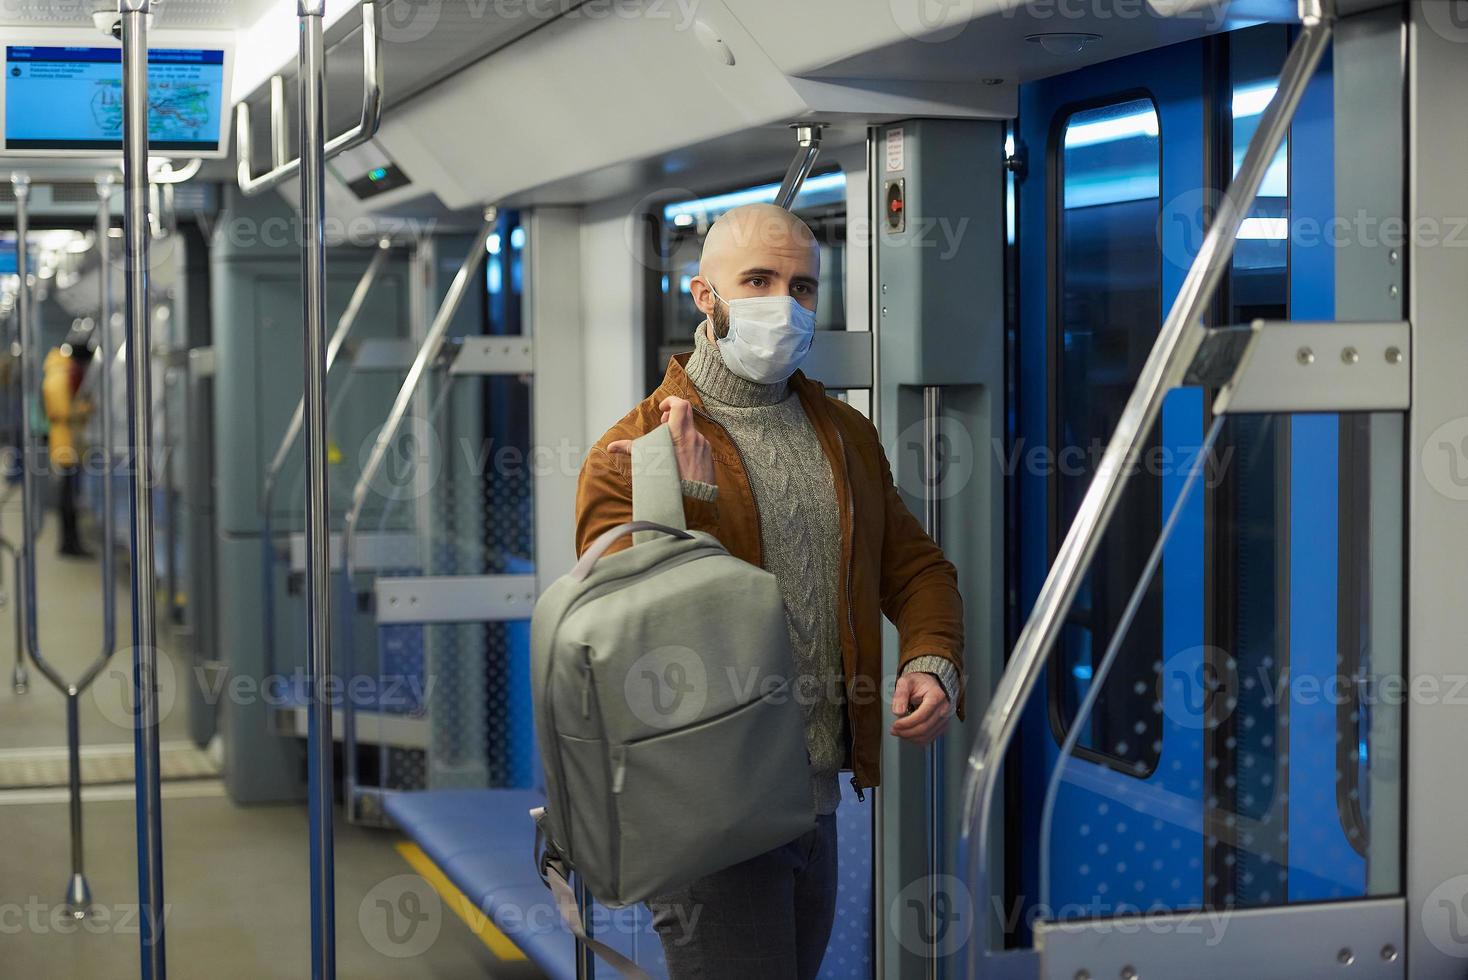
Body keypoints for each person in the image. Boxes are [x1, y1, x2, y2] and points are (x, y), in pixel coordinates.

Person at [575, 203, 965, 978]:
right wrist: (687, 502)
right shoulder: (634, 450)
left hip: (813, 799)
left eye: (803, 286)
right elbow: (623, 637)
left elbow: (916, 568)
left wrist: (930, 659)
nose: (784, 302)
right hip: (703, 805)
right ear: (704, 296)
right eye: (757, 280)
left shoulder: (845, 435)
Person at [42, 327, 94, 558]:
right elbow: (63, 411)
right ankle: (70, 544)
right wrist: (86, 409)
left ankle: (70, 542)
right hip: (66, 443)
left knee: (68, 496)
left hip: (62, 440)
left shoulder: (56, 370)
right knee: (68, 497)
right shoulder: (64, 374)